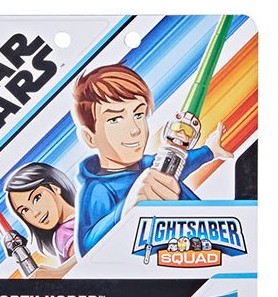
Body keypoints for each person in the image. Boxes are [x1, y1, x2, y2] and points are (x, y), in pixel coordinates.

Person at [72, 64, 232, 257]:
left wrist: (210, 151)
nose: (135, 129)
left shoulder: (149, 164)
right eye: (115, 119)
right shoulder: (98, 190)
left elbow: (182, 163)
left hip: (209, 243)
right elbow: (87, 249)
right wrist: (127, 209)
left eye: (138, 114)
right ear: (90, 137)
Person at [4, 163, 77, 270]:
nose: (35, 213)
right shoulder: (63, 234)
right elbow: (84, 254)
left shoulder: (87, 204)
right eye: (24, 210)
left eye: (37, 198)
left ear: (55, 188)